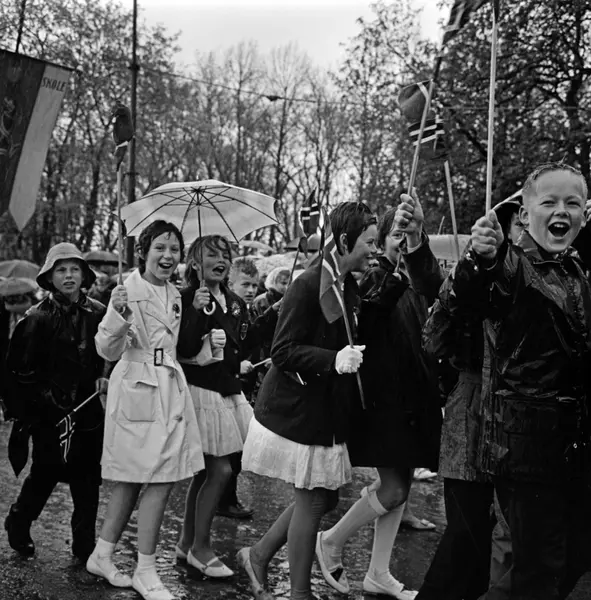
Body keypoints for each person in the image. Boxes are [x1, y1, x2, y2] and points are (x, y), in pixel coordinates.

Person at [438, 162, 591, 600]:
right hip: (523, 447)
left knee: (573, 553)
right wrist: (479, 258)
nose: (561, 211)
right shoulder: (513, 265)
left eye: (572, 203)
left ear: (585, 214)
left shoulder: (575, 269)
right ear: (525, 214)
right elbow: (470, 295)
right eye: (549, 202)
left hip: (570, 446)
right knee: (539, 569)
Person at [237, 202, 377, 600]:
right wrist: (333, 359)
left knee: (325, 497)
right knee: (314, 500)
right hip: (299, 410)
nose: (374, 250)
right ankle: (299, 593)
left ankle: (258, 555)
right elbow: (282, 351)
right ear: (345, 241)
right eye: (369, 242)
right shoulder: (308, 283)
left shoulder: (347, 284)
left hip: (326, 409)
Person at [315, 198, 442, 600]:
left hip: (413, 399)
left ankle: (378, 572)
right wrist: (392, 278)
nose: (402, 242)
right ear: (382, 240)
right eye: (395, 234)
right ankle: (331, 539)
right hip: (385, 402)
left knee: (400, 488)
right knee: (393, 489)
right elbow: (366, 324)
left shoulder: (415, 280)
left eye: (409, 234)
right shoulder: (374, 277)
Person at [403, 195, 522, 600]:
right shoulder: (477, 276)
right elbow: (437, 293)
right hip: (469, 417)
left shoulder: (556, 279)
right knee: (465, 534)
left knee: (499, 543)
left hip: (521, 424)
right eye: (514, 225)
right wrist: (416, 239)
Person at [86, 221, 204, 600]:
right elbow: (105, 349)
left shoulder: (175, 293)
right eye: (160, 248)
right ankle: (146, 570)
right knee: (155, 478)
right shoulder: (126, 291)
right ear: (143, 252)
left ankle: (102, 554)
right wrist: (116, 313)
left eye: (174, 249)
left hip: (168, 386)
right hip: (137, 385)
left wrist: (199, 316)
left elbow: (179, 346)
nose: (168, 256)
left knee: (138, 478)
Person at [175, 235, 279, 576]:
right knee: (219, 471)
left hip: (226, 390)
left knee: (207, 472)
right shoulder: (185, 298)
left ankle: (186, 543)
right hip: (200, 391)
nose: (220, 260)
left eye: (225, 255)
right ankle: (201, 549)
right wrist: (195, 311)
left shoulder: (234, 302)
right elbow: (183, 347)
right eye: (212, 255)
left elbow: (245, 343)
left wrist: (273, 314)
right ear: (195, 263)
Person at [3, 243, 106, 561]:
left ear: (84, 274)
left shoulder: (99, 312)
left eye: (75, 269)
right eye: (61, 270)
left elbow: (109, 354)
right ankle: (19, 521)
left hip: (89, 412)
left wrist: (106, 376)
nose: (69, 275)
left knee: (88, 479)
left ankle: (84, 544)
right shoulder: (37, 318)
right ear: (49, 276)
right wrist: (43, 406)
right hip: (50, 415)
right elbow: (20, 371)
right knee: (45, 474)